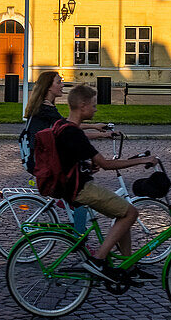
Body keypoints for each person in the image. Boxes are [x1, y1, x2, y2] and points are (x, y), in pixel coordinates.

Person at [54, 84, 159, 283]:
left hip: (72, 185)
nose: (96, 109)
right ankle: (98, 260)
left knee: (123, 213)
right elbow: (107, 164)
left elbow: (71, 157)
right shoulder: (74, 133)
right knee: (130, 212)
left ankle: (128, 266)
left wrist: (87, 164)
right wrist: (141, 160)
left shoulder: (64, 126)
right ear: (83, 106)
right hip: (80, 189)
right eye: (93, 105)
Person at [20, 70, 65, 174]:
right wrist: (98, 132)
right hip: (39, 161)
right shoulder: (46, 109)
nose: (62, 85)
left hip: (33, 159)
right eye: (59, 82)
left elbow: (66, 124)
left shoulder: (41, 106)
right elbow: (68, 126)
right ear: (48, 87)